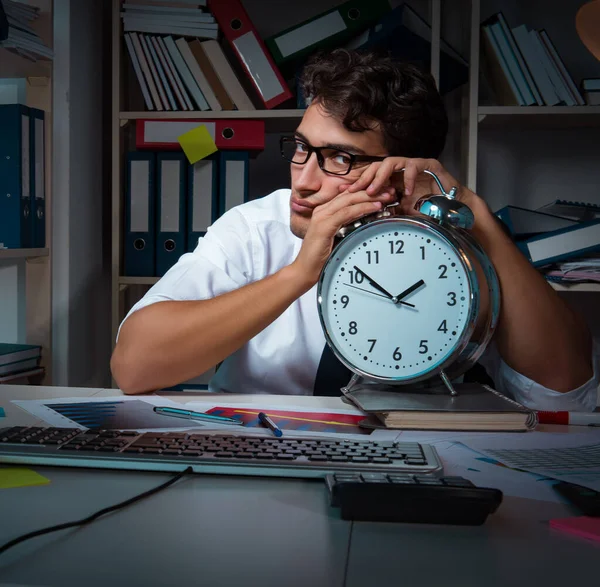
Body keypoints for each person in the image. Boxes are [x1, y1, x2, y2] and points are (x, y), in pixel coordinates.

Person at [111, 49, 599, 410]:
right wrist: (299, 274)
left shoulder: (461, 246)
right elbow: (134, 369)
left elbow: (566, 389)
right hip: (266, 461)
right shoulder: (257, 228)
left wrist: (479, 219)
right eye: (301, 148)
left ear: (401, 167)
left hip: (424, 470)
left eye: (339, 159)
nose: (303, 180)